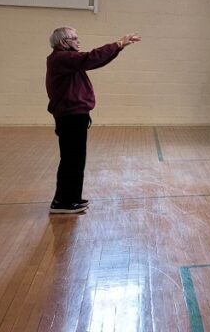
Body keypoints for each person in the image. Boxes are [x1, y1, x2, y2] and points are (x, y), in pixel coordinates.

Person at [46, 27, 140, 214]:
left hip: (74, 116)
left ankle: (71, 197)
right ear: (64, 42)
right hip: (70, 116)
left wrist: (118, 49)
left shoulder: (66, 60)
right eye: (75, 38)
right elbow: (90, 58)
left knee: (75, 159)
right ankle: (62, 202)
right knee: (72, 159)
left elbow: (95, 62)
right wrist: (118, 43)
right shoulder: (61, 58)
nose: (78, 41)